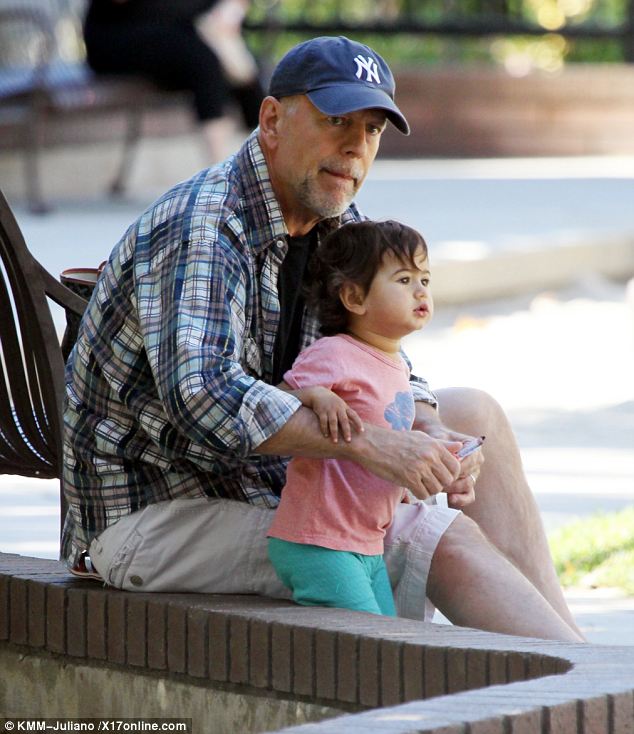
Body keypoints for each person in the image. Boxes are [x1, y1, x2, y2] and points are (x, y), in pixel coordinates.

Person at [63, 35, 584, 642]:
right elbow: (202, 396)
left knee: (471, 414)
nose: (354, 147)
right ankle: (582, 685)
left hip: (263, 484)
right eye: (336, 119)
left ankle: (579, 667)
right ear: (272, 119)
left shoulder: (337, 225)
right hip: (154, 517)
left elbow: (385, 356)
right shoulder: (204, 226)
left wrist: (432, 431)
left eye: (371, 129)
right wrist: (372, 445)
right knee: (430, 536)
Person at [268, 219, 454, 616]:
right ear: (354, 297)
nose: (421, 290)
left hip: (365, 542)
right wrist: (314, 394)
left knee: (380, 645)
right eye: (404, 280)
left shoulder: (395, 364)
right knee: (367, 654)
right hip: (320, 541)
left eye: (425, 278)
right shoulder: (334, 353)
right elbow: (270, 403)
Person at [82, 0, 263, 161]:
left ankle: (263, 164)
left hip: (189, 33)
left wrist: (229, 12)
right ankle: (221, 175)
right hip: (119, 34)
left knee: (236, 69)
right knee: (204, 60)